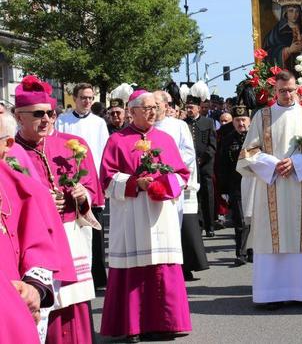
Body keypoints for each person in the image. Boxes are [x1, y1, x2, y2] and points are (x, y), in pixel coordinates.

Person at [99, 90, 191, 341]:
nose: (152, 112)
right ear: (133, 111)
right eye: (147, 108)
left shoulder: (165, 138)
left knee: (164, 266)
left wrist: (164, 184)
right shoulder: (117, 140)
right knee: (134, 268)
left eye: (155, 107)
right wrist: (134, 183)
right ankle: (133, 325)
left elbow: (182, 174)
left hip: (161, 212)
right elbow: (106, 179)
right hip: (132, 211)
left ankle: (166, 323)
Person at [13, 76, 98, 343]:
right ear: (18, 117)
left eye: (51, 113)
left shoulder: (72, 146)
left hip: (71, 238)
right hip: (34, 247)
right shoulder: (11, 153)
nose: (47, 119)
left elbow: (94, 193)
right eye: (38, 114)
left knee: (74, 307)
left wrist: (81, 196)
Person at [237, 70, 302, 309]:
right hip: (273, 184)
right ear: (274, 91)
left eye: (291, 90)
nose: (287, 95)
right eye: (282, 91)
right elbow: (248, 151)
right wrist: (272, 164)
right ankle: (271, 294)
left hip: (301, 185)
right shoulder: (262, 116)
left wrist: (297, 163)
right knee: (271, 239)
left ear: (297, 90)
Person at [55, 82, 109, 289]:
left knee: (94, 228)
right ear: (74, 99)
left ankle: (97, 276)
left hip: (92, 180)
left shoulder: (99, 123)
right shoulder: (63, 120)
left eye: (90, 98)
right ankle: (75, 272)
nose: (87, 101)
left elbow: (104, 153)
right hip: (68, 180)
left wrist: (101, 182)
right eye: (83, 98)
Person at [154, 90, 209, 280]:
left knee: (183, 226)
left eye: (157, 105)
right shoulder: (147, 127)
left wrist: (171, 168)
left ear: (166, 106)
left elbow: (188, 152)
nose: (153, 109)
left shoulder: (178, 125)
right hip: (155, 183)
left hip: (176, 179)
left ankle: (186, 266)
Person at [217, 103, 253, 266]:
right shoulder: (227, 140)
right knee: (240, 220)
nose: (241, 124)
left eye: (244, 120)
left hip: (255, 184)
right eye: (238, 120)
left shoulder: (256, 139)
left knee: (255, 219)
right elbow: (221, 165)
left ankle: (254, 250)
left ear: (250, 121)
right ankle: (241, 252)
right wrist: (224, 189)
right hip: (236, 185)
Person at [184, 81, 218, 237]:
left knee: (207, 196)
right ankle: (198, 224)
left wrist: (203, 158)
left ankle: (210, 225)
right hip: (189, 166)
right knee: (193, 196)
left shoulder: (208, 122)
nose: (189, 110)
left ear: (198, 108)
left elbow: (212, 144)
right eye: (187, 107)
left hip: (205, 165)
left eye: (192, 107)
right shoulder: (183, 124)